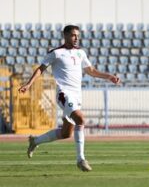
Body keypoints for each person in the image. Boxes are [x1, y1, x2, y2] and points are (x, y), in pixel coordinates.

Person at [18, 25, 120, 171]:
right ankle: (81, 159)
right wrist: (28, 85)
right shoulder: (56, 53)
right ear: (65, 36)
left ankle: (35, 141)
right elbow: (41, 69)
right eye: (73, 35)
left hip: (77, 95)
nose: (76, 38)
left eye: (77, 35)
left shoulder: (80, 53)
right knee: (81, 119)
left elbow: (91, 70)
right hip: (64, 94)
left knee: (66, 133)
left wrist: (108, 76)